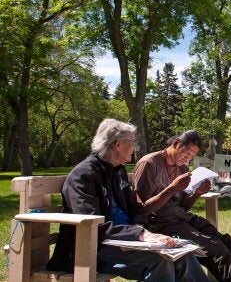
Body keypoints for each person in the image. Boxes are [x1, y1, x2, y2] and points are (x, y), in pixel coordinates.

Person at [47, 119, 210, 282]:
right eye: (132, 142)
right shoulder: (84, 176)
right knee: (162, 261)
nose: (134, 147)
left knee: (184, 255)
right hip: (94, 249)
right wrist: (139, 234)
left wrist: (142, 229)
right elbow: (92, 226)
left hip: (126, 242)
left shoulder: (118, 172)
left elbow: (135, 209)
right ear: (118, 145)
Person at [131, 130, 231, 282]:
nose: (188, 157)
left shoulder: (182, 168)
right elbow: (142, 210)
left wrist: (197, 193)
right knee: (215, 249)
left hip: (182, 218)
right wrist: (172, 188)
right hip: (160, 224)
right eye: (186, 152)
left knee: (227, 241)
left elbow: (183, 206)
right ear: (176, 143)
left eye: (192, 155)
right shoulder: (150, 163)